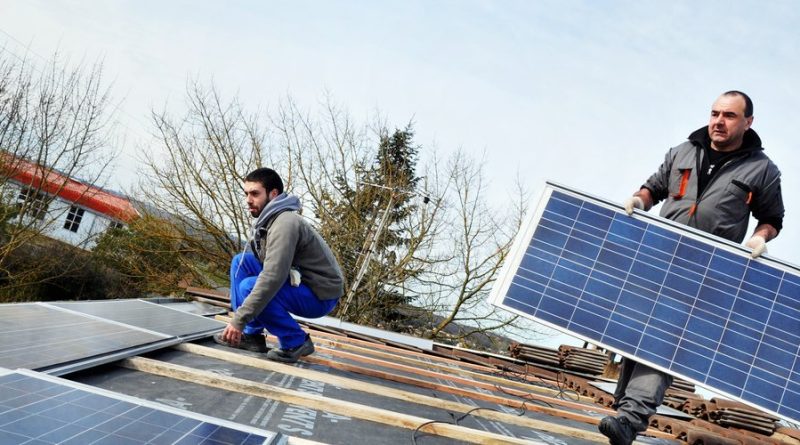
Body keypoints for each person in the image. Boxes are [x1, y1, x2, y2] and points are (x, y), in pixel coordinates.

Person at [599, 91, 784, 445]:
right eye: (715, 113)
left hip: (706, 270)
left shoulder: (762, 169)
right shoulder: (682, 152)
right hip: (660, 256)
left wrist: (760, 238)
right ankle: (624, 415)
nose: (718, 121)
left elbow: (772, 218)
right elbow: (653, 188)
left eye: (729, 115)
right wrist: (638, 200)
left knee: (664, 338)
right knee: (636, 334)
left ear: (748, 122)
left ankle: (631, 418)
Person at [214, 167, 344, 363]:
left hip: (319, 294)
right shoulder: (270, 220)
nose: (248, 200)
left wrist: (238, 320)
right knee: (241, 262)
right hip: (299, 281)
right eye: (246, 194)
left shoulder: (285, 223)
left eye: (255, 194)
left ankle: (295, 341)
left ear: (273, 194)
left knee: (249, 287)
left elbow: (272, 277)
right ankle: (251, 335)